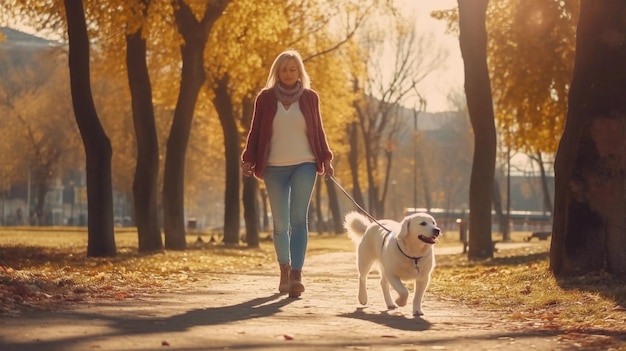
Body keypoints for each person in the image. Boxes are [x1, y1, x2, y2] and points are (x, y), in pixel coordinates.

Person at [241, 49, 334, 298]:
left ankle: (296, 274)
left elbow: (318, 131)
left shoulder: (310, 98)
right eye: (284, 69)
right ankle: (284, 270)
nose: (289, 73)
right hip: (273, 167)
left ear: (299, 71)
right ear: (277, 72)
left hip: (305, 163)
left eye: (293, 69)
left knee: (298, 220)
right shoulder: (265, 98)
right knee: (280, 223)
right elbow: (255, 131)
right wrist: (248, 158)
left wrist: (326, 157)